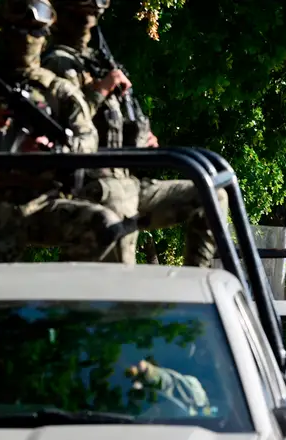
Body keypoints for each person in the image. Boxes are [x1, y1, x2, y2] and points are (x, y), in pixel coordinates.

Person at [0, 0, 129, 262]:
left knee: (104, 224)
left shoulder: (59, 90)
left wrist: (57, 150)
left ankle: (58, 295)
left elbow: (87, 138)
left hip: (43, 203)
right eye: (17, 30)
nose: (27, 39)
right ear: (2, 31)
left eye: (35, 31)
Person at [41, 0, 224, 267]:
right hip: (88, 185)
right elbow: (63, 128)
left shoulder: (96, 62)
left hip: (125, 180)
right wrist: (101, 89)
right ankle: (121, 299)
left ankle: (196, 280)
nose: (89, 20)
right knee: (118, 206)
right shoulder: (57, 63)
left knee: (211, 194)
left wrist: (143, 141)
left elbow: (112, 125)